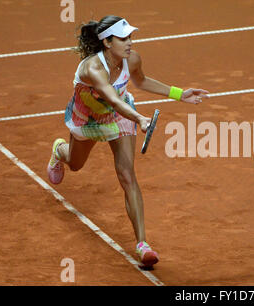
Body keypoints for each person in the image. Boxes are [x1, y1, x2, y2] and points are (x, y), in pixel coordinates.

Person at [47, 15, 209, 268]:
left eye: (130, 36)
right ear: (108, 42)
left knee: (126, 175)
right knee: (75, 164)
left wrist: (179, 93)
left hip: (120, 116)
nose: (130, 42)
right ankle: (59, 151)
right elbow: (112, 99)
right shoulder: (93, 68)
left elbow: (141, 81)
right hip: (88, 119)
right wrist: (140, 119)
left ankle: (142, 245)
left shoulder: (131, 58)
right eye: (123, 38)